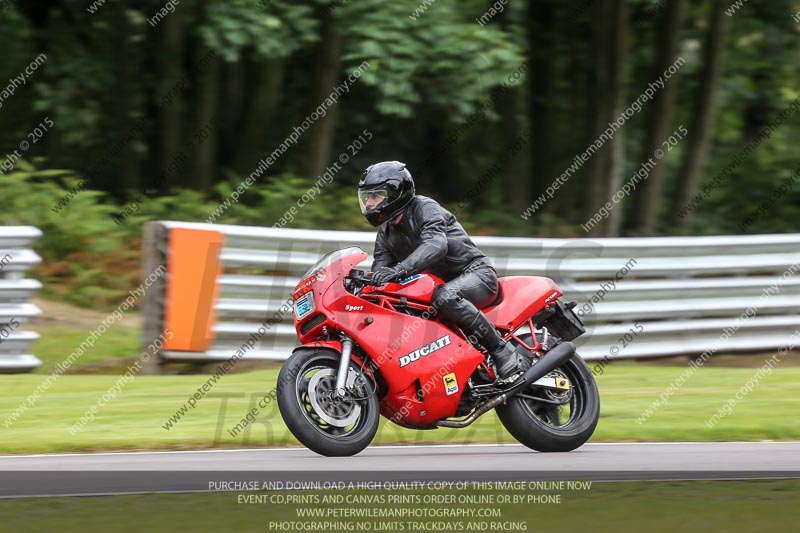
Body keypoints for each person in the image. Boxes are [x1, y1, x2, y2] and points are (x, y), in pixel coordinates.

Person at [357, 160, 531, 383]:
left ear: (395, 192)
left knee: (445, 296)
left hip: (476, 274)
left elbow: (436, 245)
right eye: (367, 198)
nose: (370, 204)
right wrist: (365, 285)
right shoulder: (386, 233)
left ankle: (502, 351)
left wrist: (399, 270)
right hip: (438, 288)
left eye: (375, 196)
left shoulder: (424, 208)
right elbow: (381, 271)